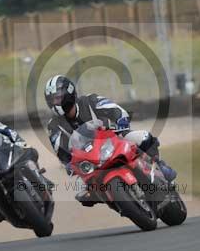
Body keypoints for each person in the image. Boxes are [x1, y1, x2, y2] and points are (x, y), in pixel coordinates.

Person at [44, 75, 177, 206]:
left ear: (69, 92)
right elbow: (60, 150)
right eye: (53, 100)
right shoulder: (53, 126)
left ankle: (161, 166)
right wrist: (69, 164)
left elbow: (115, 109)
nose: (56, 103)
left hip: (114, 139)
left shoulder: (90, 100)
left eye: (58, 98)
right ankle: (117, 202)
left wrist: (120, 121)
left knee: (143, 137)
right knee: (81, 191)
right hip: (90, 159)